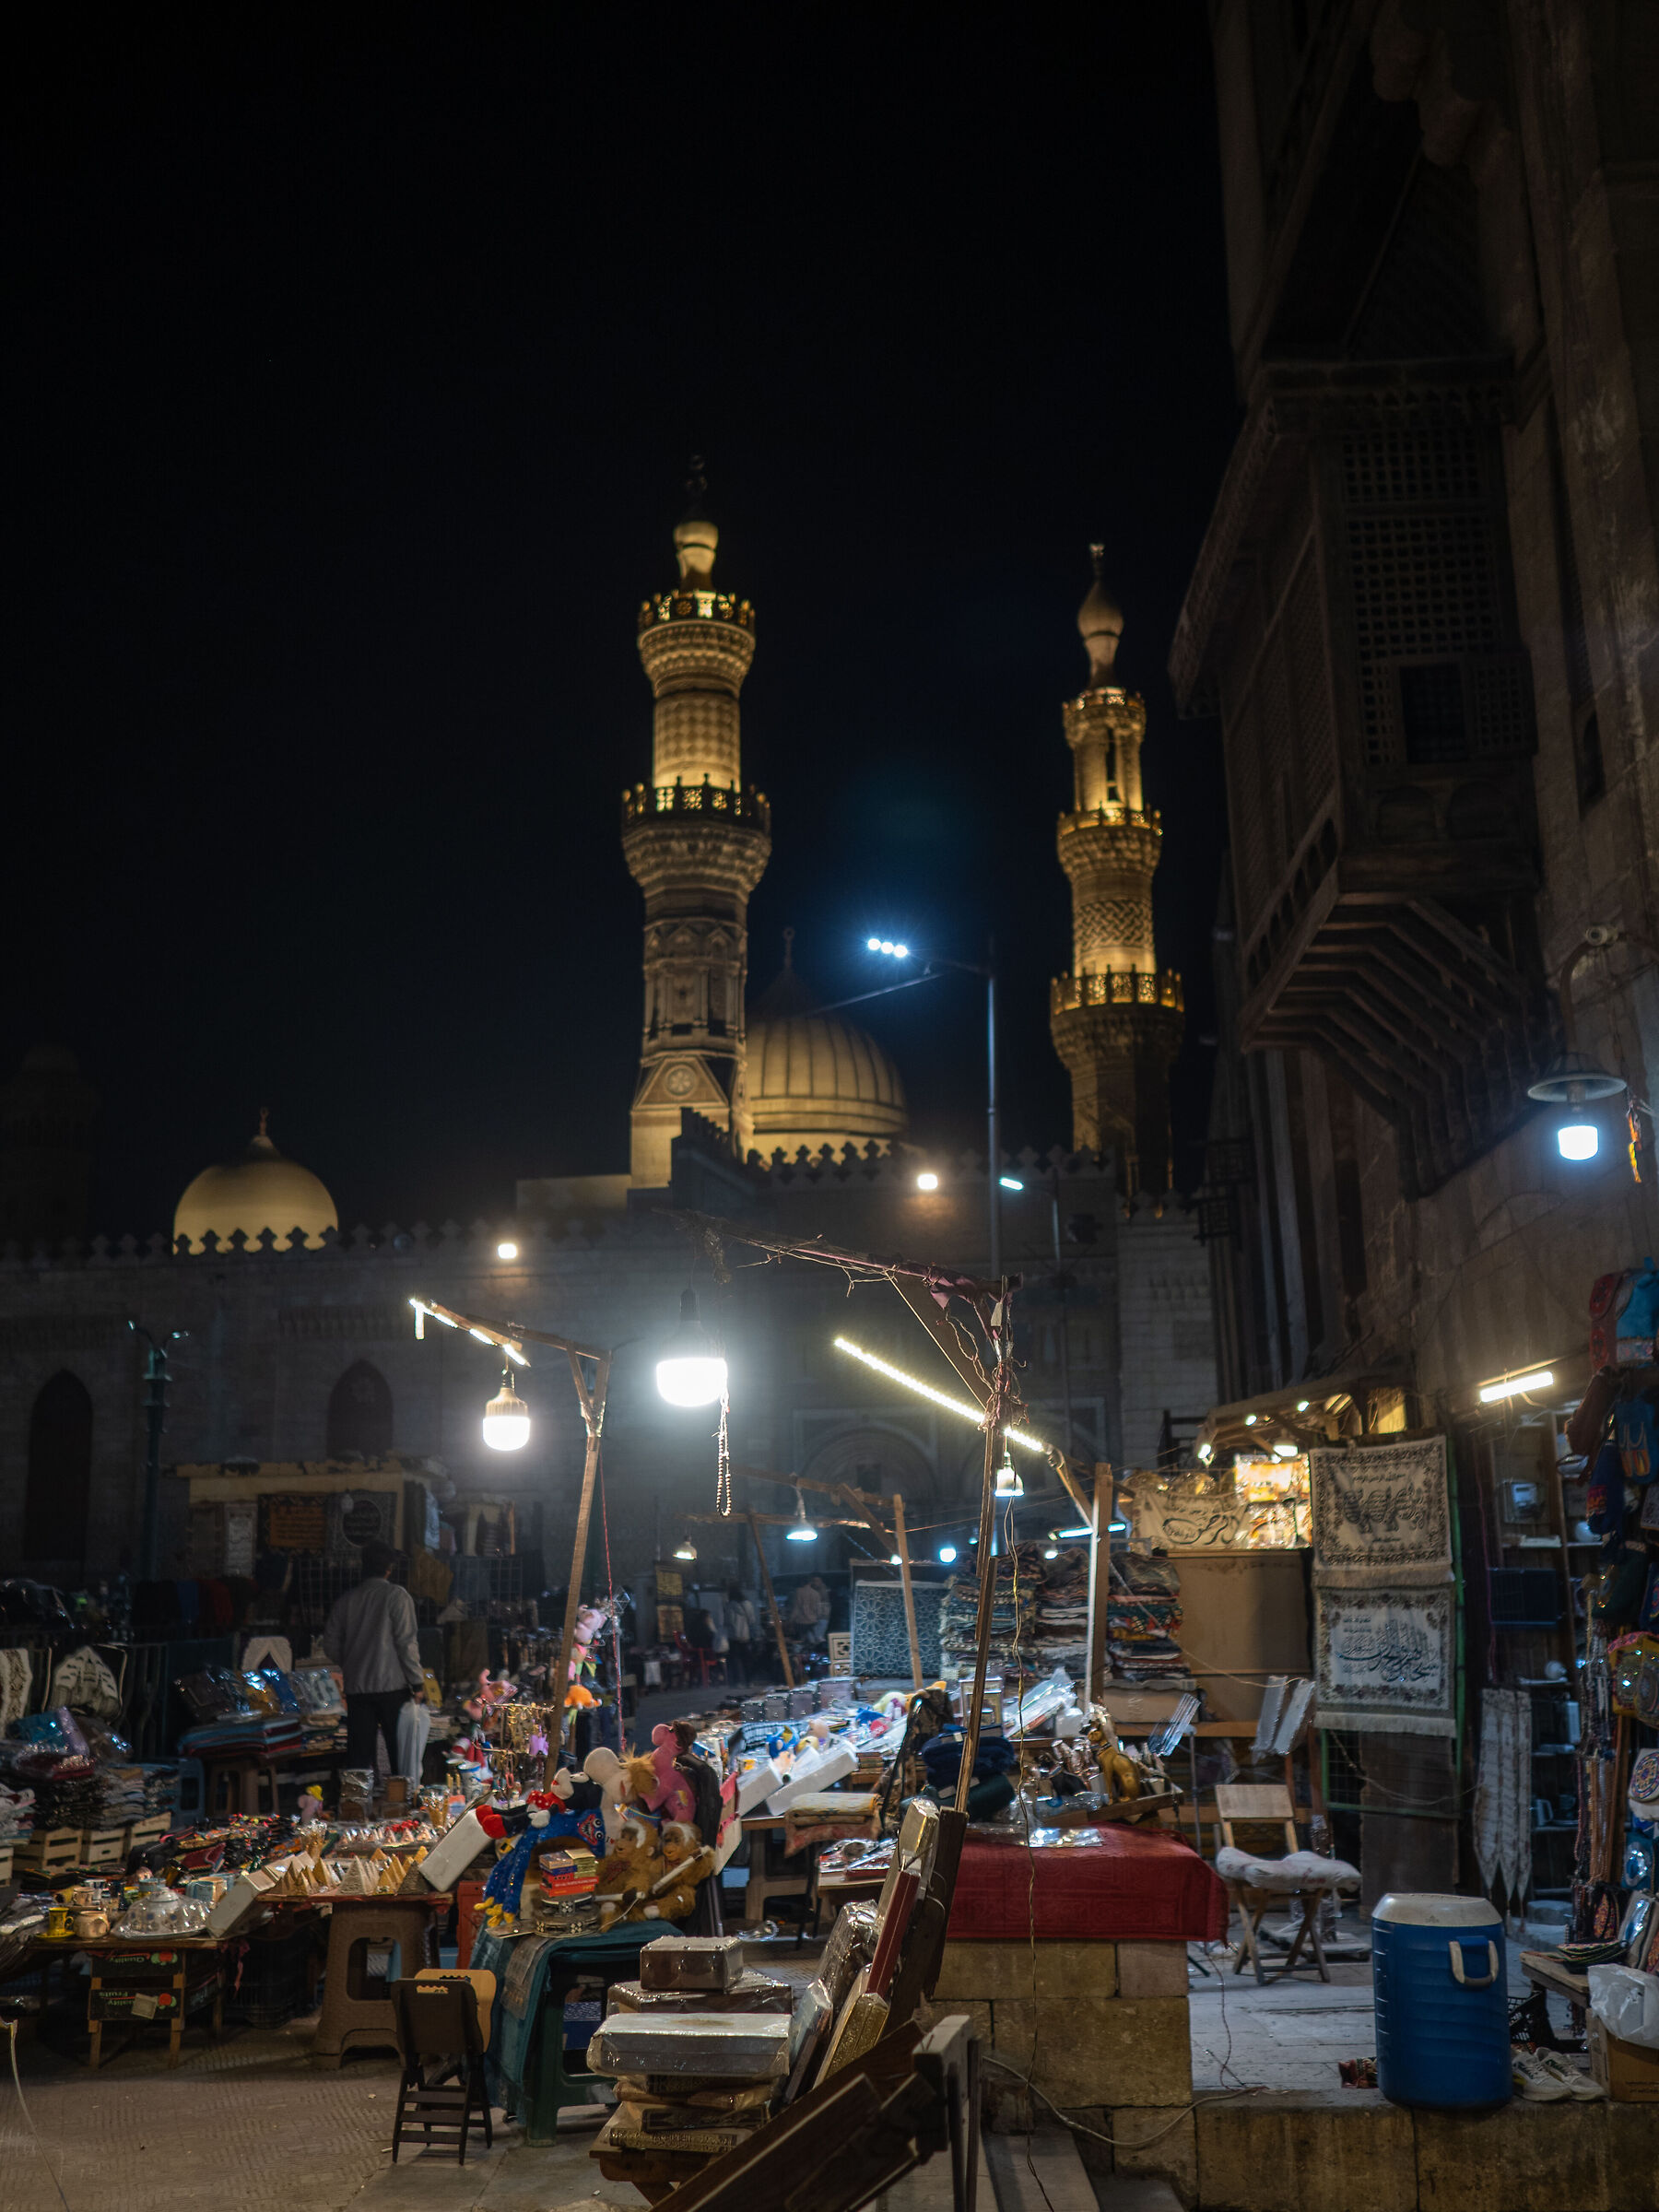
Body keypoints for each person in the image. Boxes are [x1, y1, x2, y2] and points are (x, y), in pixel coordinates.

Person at [323, 1538, 424, 1774]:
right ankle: (403, 1806)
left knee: (358, 1757)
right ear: (390, 1568)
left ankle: (355, 1807)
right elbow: (406, 1643)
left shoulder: (346, 1600)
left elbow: (329, 1644)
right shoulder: (397, 1596)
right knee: (399, 1756)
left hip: (358, 1689)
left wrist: (351, 1660)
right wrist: (417, 1682)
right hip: (393, 1688)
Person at [725, 1585, 752, 1685]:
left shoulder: (729, 1605)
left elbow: (729, 1621)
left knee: (735, 1660)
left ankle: (737, 1682)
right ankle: (748, 1681)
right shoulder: (748, 1604)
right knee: (747, 1660)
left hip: (733, 1637)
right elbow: (752, 1620)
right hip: (745, 1635)